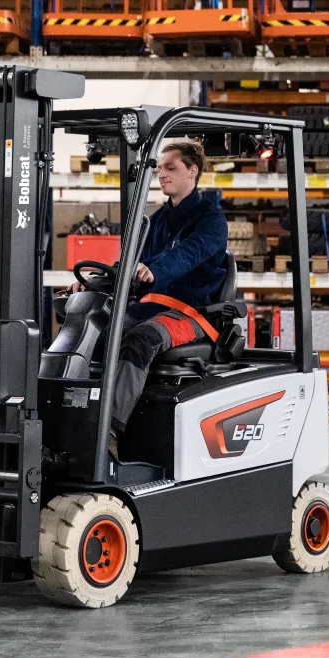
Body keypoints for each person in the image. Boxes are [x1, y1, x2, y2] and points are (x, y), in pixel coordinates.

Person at [108, 141, 228, 455]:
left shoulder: (211, 220)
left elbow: (187, 255)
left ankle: (108, 429)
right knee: (99, 329)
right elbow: (132, 258)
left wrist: (153, 271)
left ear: (193, 171)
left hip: (192, 312)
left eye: (170, 167)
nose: (161, 174)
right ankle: (81, 413)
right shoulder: (158, 219)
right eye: (159, 168)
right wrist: (95, 282)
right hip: (155, 304)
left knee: (142, 338)